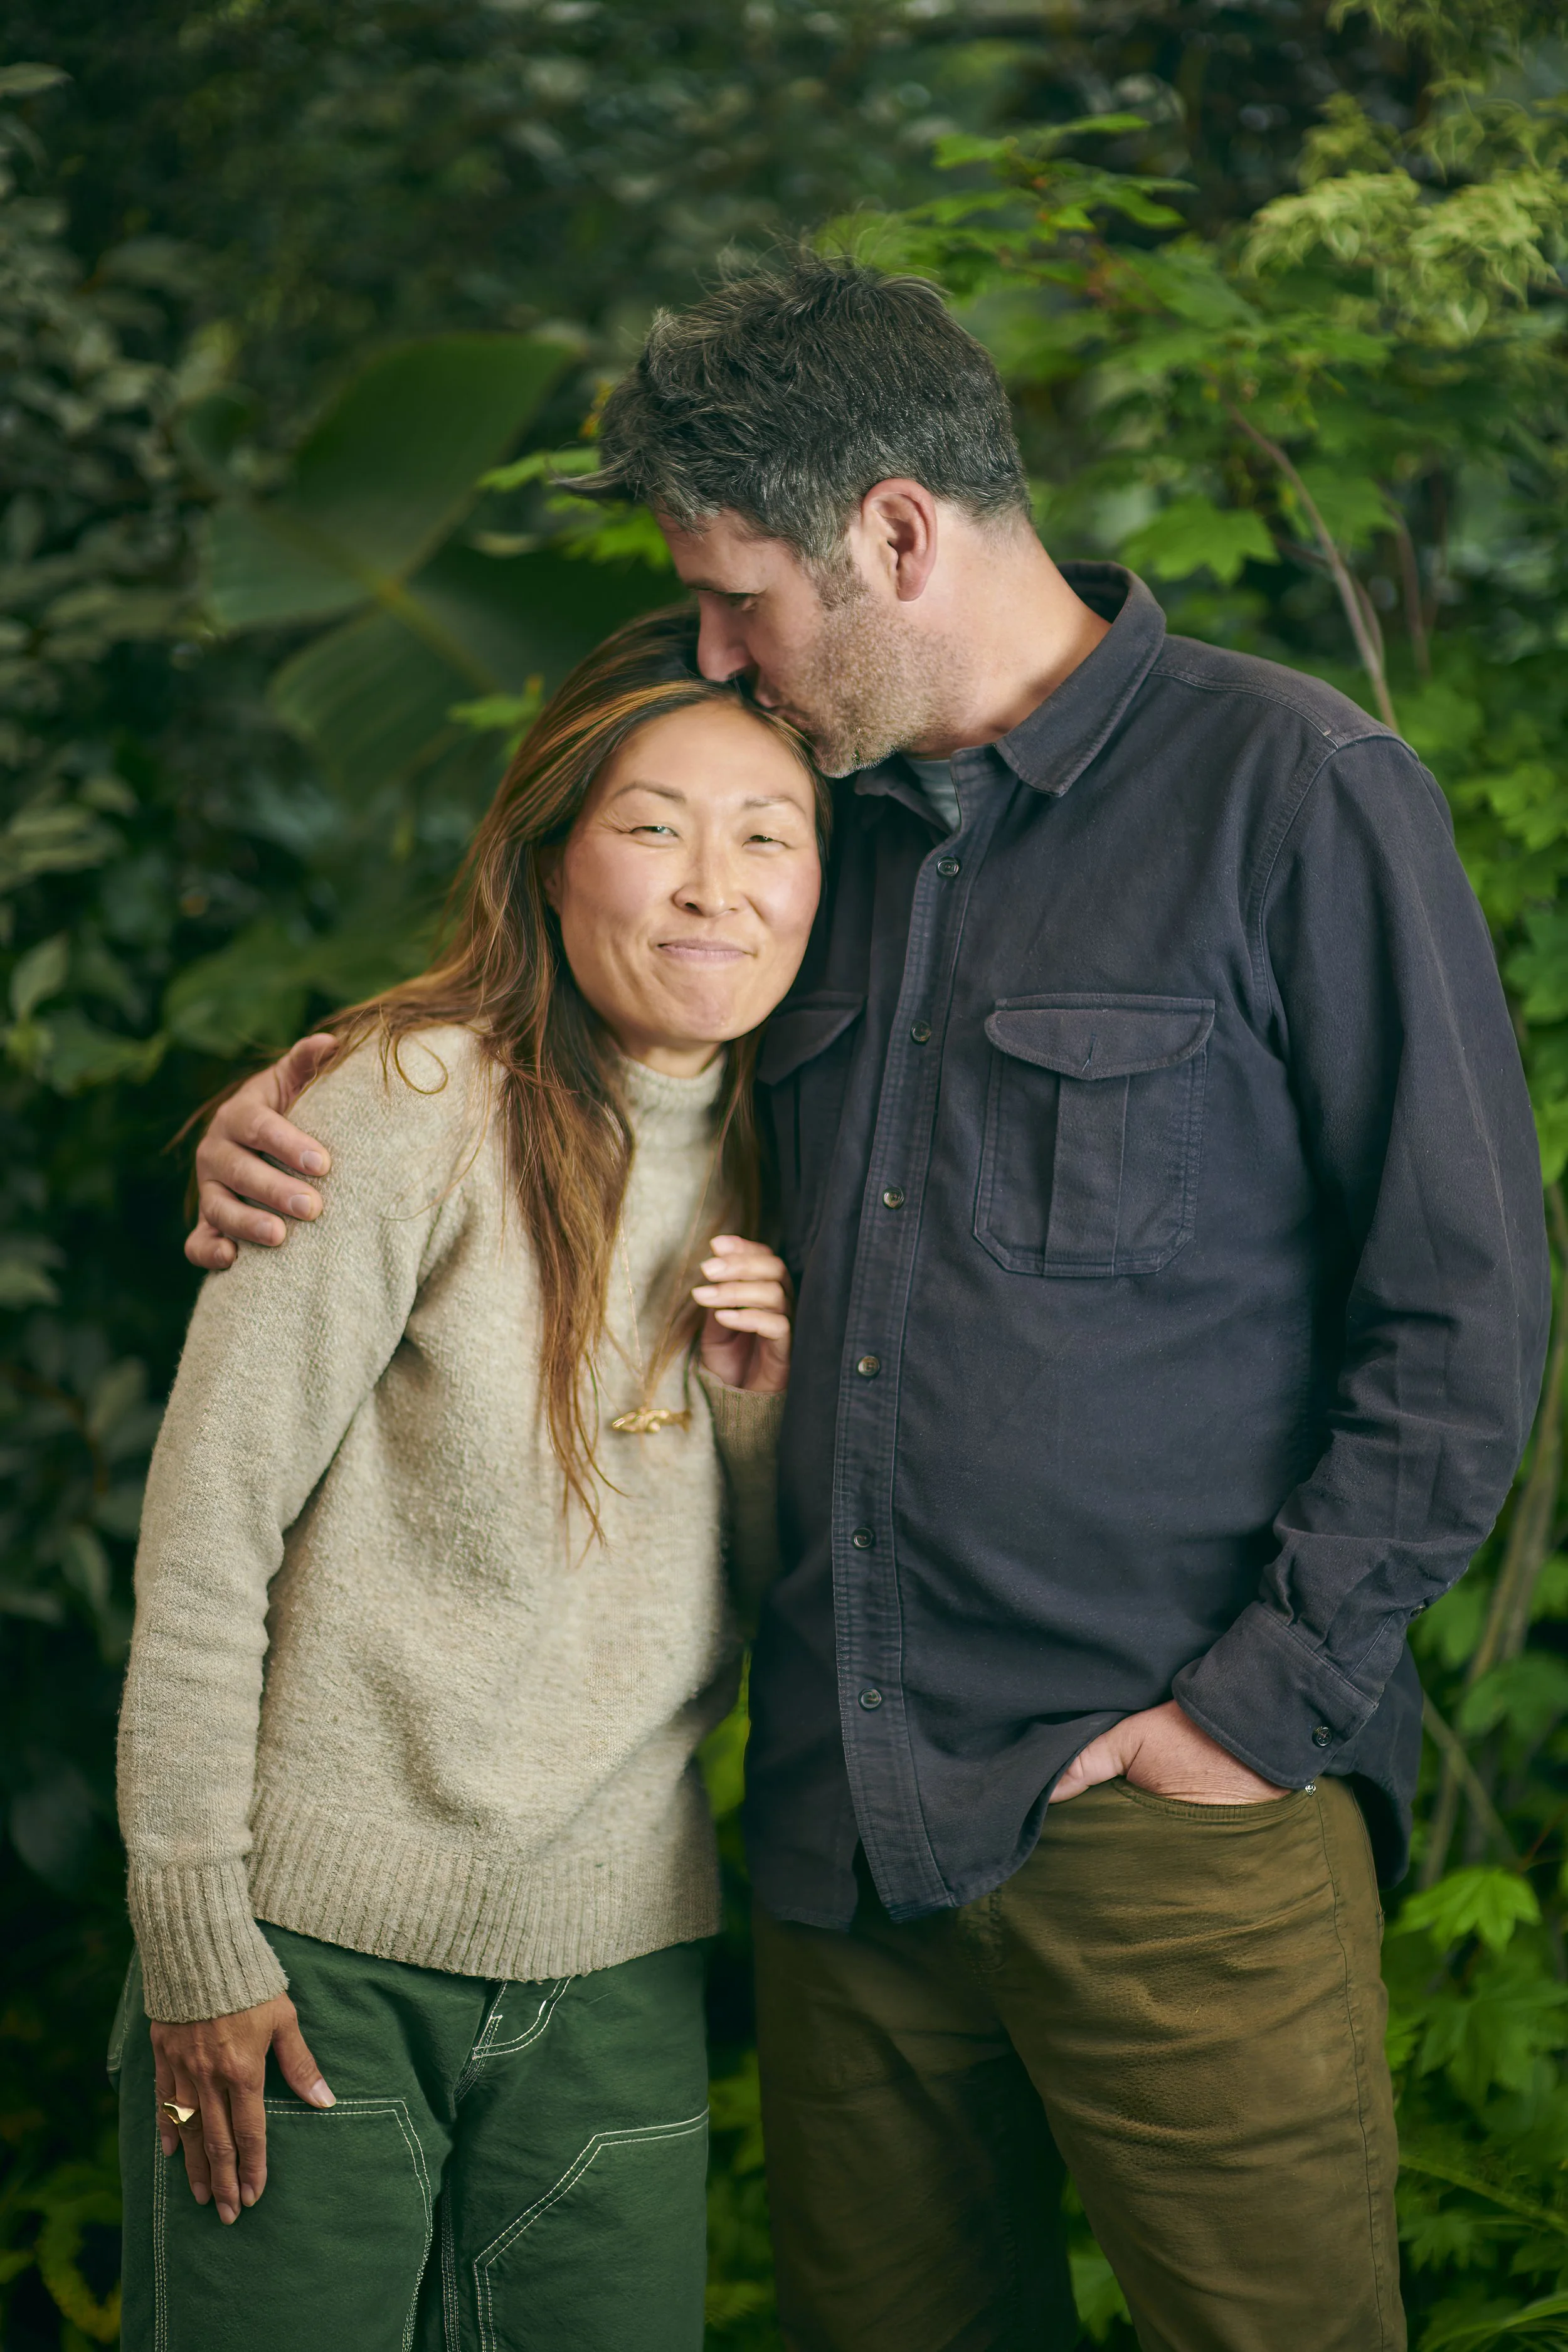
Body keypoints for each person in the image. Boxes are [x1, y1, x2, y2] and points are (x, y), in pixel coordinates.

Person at [188, 257, 1550, 2352]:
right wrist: (284, 1098)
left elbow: (1462, 1312)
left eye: (741, 598)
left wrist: (1249, 1715)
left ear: (898, 532)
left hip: (1168, 1821)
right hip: (843, 1827)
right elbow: (561, 1028)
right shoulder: (809, 822)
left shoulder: (1294, 792)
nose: (715, 651)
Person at [116, 610, 827, 2352]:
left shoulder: (811, 1147)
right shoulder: (406, 1101)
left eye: (768, 835)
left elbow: (762, 1601)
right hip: (314, 1949)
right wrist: (199, 1935)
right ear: (551, 852)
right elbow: (208, 1535)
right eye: (653, 825)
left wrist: (753, 1407)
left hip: (618, 1970)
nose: (709, 885)